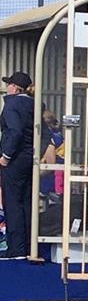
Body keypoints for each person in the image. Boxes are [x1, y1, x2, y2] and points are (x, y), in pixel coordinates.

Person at [1, 71, 36, 260]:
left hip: (15, 159)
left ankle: (16, 248)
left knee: (12, 202)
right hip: (30, 158)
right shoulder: (34, 105)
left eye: (9, 85)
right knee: (26, 201)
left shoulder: (11, 105)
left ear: (14, 87)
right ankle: (29, 246)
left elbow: (15, 132)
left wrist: (6, 156)